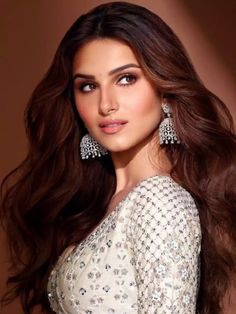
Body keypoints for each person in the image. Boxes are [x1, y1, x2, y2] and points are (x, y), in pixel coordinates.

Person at [1, 1, 236, 313]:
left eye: (126, 79)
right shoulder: (103, 203)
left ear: (163, 88)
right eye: (88, 86)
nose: (106, 104)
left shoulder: (159, 200)